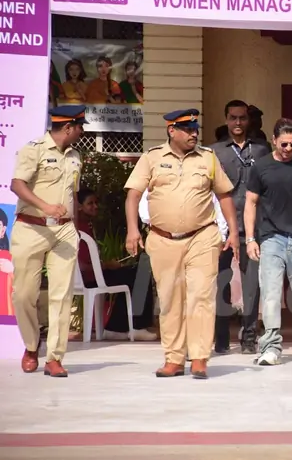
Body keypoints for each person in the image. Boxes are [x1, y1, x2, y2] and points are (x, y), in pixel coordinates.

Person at [124, 108, 238, 379]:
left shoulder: (208, 158)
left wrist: (233, 232)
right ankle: (174, 359)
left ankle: (199, 358)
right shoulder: (151, 158)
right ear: (171, 130)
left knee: (201, 296)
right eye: (187, 129)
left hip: (202, 236)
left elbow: (224, 196)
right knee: (170, 299)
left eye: (195, 129)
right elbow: (133, 195)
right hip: (162, 239)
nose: (193, 134)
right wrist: (132, 230)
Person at [10, 105, 87, 377]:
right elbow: (17, 184)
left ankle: (54, 357)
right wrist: (45, 207)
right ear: (67, 127)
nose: (82, 131)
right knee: (23, 294)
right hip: (31, 227)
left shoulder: (75, 156)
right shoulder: (34, 149)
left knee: (62, 295)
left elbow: (73, 195)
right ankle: (31, 346)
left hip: (64, 232)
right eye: (80, 127)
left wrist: (76, 227)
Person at [244, 118, 292, 365]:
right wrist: (250, 239)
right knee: (271, 293)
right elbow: (250, 203)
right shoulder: (261, 166)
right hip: (271, 237)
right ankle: (270, 347)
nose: (288, 149)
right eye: (284, 144)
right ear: (274, 140)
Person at [210, 100, 271, 354]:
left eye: (242, 118)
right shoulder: (214, 151)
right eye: (233, 117)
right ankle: (222, 339)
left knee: (251, 286)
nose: (238, 122)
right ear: (226, 119)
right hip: (222, 227)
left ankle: (249, 338)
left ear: (248, 120)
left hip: (253, 227)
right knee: (220, 283)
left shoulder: (262, 149)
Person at [75, 188, 157, 341]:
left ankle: (116, 328)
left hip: (95, 274)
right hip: (88, 278)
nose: (95, 206)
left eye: (96, 203)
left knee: (133, 273)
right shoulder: (76, 229)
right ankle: (137, 326)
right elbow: (81, 266)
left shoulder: (87, 225)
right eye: (90, 203)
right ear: (79, 206)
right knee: (139, 273)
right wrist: (105, 266)